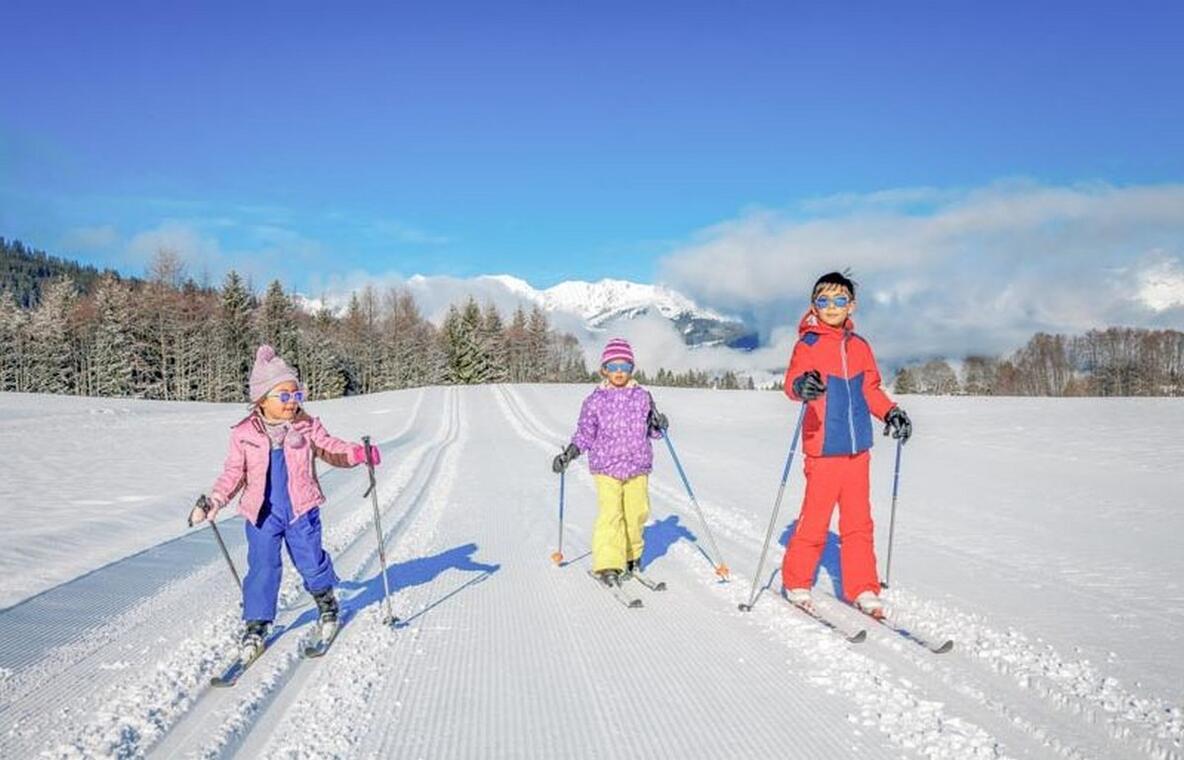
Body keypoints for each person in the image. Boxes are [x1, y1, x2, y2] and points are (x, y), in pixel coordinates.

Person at [190, 344, 381, 656]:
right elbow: (233, 473)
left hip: (300, 509)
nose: (293, 402)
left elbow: (329, 446)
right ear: (262, 399)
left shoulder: (306, 426)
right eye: (285, 396)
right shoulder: (244, 433)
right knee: (262, 567)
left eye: (297, 395)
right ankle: (256, 624)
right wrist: (215, 501)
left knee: (310, 559)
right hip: (262, 514)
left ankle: (326, 603)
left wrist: (358, 453)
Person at [780, 272, 912, 617]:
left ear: (851, 305)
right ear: (814, 306)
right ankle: (796, 580)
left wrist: (891, 412)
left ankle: (863, 587)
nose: (832, 306)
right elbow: (792, 382)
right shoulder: (807, 344)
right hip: (823, 448)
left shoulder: (860, 347)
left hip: (858, 450)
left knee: (858, 521)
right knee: (816, 519)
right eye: (824, 300)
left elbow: (870, 389)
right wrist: (801, 387)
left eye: (840, 300)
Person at [551, 338, 668, 588]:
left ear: (631, 369)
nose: (618, 372)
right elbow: (585, 433)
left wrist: (660, 426)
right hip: (606, 467)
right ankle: (607, 563)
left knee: (637, 514)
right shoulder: (595, 401)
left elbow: (653, 431)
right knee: (611, 515)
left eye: (624, 367)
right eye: (613, 367)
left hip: (638, 465)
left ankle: (631, 557)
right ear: (604, 369)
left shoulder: (643, 397)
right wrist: (570, 452)